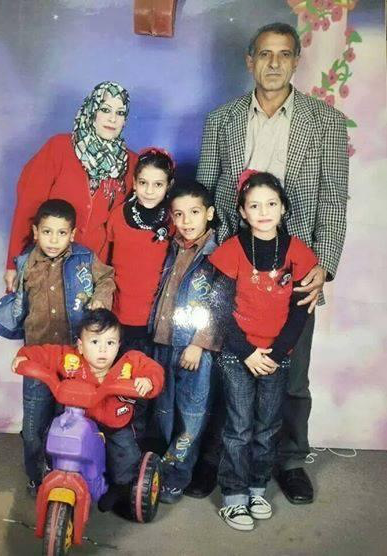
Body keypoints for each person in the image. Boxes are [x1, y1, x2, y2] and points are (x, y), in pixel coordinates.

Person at [192, 22, 349, 503]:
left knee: (291, 371)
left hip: (294, 271)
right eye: (264, 54)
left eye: (284, 54)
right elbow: (205, 196)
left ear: (297, 60)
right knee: (228, 365)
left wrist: (324, 265)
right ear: (250, 61)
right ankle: (217, 458)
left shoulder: (325, 122)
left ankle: (290, 460)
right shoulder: (222, 120)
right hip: (234, 267)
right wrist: (208, 265)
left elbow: (333, 201)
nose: (274, 63)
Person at [0, 199, 116, 494]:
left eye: (61, 233)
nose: (54, 240)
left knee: (71, 421)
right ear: (36, 232)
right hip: (38, 359)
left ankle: (71, 472)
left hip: (75, 358)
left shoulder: (84, 259)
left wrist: (101, 298)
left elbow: (106, 278)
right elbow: (16, 302)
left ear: (72, 234)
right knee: (33, 427)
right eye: (47, 232)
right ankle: (37, 476)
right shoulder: (27, 263)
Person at [209, 170, 318, 530]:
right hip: (238, 354)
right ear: (242, 212)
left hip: (277, 356)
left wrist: (277, 352)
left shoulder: (297, 251)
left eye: (271, 204)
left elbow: (301, 309)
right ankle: (234, 494)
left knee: (268, 426)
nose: (264, 211)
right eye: (254, 206)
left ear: (283, 207)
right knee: (239, 426)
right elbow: (219, 307)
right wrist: (246, 351)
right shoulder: (233, 249)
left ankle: (257, 487)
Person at [11, 309, 164, 510]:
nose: (103, 350)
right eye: (95, 342)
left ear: (119, 345)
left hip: (114, 426)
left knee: (125, 460)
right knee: (51, 441)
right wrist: (24, 357)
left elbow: (152, 369)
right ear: (81, 346)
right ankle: (55, 473)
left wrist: (148, 380)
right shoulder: (71, 359)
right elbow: (45, 353)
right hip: (78, 421)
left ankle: (118, 487)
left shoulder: (127, 363)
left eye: (110, 343)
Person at [4, 81, 137, 293]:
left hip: (91, 275)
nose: (112, 118)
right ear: (92, 110)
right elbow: (27, 208)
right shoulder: (58, 148)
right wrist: (13, 263)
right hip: (46, 268)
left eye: (120, 113)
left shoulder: (131, 164)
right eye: (105, 109)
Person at [150, 181, 221, 504]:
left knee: (191, 415)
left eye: (194, 212)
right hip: (164, 341)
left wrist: (199, 343)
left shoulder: (217, 254)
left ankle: (177, 476)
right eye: (178, 214)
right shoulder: (171, 246)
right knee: (163, 412)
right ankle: (159, 470)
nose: (186, 220)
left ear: (210, 213)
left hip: (194, 349)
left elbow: (220, 304)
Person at [107, 147, 175, 355]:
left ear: (169, 186)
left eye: (158, 184)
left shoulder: (173, 220)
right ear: (134, 183)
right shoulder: (118, 216)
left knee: (149, 370)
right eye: (143, 183)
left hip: (155, 317)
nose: (149, 191)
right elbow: (105, 261)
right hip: (119, 311)